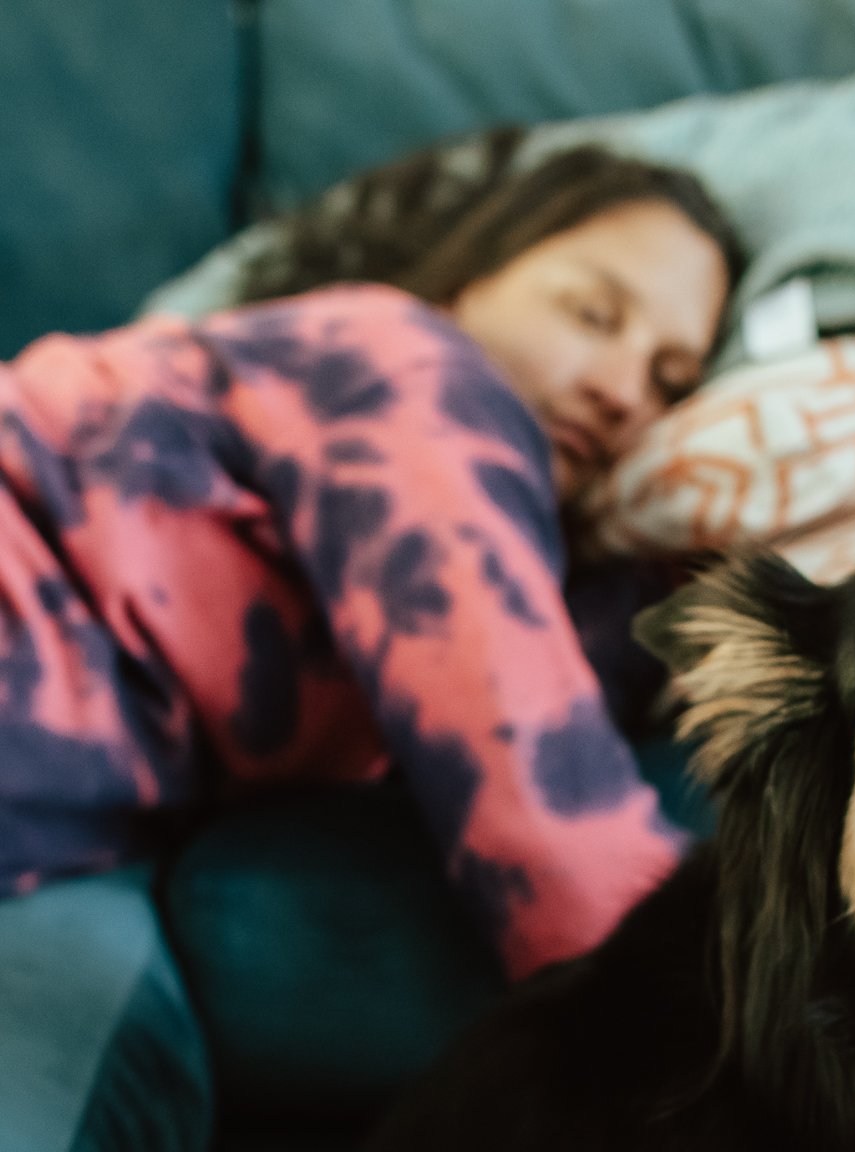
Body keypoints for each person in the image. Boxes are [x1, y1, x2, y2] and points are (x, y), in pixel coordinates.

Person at [0, 148, 742, 978]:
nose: (621, 390)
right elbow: (546, 821)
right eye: (591, 315)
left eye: (670, 382)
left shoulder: (494, 551)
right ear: (468, 281)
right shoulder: (404, 358)